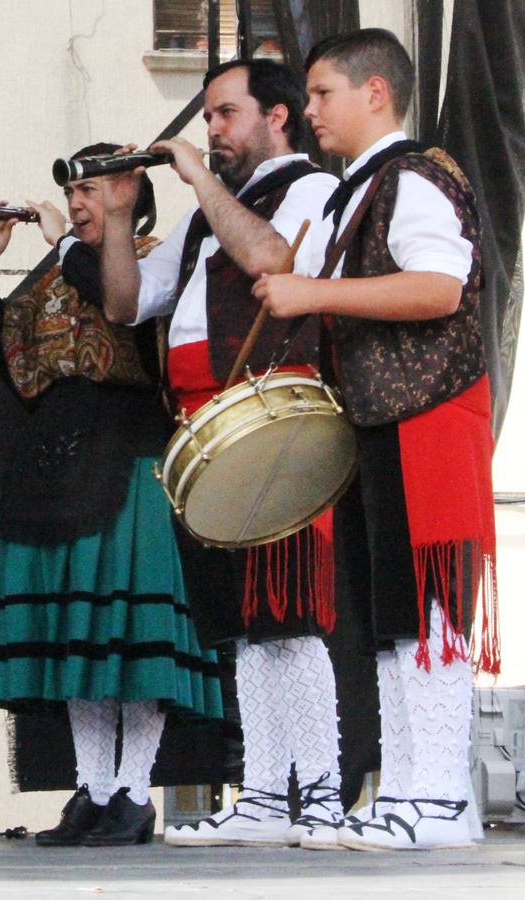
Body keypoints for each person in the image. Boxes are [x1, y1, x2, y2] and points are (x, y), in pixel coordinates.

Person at [254, 28, 496, 851]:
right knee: (394, 615)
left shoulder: (416, 178)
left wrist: (314, 290)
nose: (310, 110)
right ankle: (408, 789)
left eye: (322, 94)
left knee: (427, 608)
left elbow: (437, 286)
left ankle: (439, 797)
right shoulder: (349, 191)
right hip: (378, 417)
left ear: (376, 94)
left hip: (426, 413)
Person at [98, 59, 347, 848]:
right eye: (207, 118)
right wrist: (115, 216)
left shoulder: (310, 187)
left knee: (291, 619)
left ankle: (325, 791)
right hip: (207, 431)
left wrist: (201, 181)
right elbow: (127, 300)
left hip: (273, 420)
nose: (211, 130)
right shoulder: (209, 214)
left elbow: (276, 260)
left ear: (278, 118)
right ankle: (267, 793)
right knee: (242, 626)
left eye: (225, 114)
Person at [0, 145, 223, 848]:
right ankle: (94, 789)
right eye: (73, 192)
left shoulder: (152, 258)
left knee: (131, 635)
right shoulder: (56, 272)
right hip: (57, 467)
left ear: (129, 198)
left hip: (130, 455)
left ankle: (135, 790)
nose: (75, 202)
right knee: (81, 636)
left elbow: (120, 311)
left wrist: (69, 242)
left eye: (91, 190)